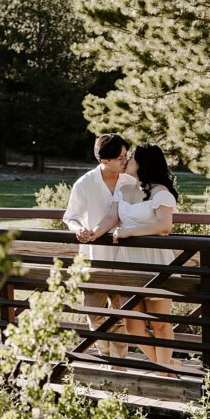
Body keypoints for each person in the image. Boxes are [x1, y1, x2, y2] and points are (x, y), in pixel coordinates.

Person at [62, 133, 135, 362]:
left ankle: (119, 365)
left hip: (126, 259)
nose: (126, 160)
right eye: (121, 157)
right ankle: (106, 353)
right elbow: (70, 217)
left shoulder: (130, 181)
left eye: (126, 156)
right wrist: (79, 230)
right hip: (94, 260)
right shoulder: (84, 184)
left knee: (122, 316)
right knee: (93, 313)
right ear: (105, 161)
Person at [111, 143, 179, 372]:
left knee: (160, 323)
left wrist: (130, 232)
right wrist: (89, 232)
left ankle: (163, 373)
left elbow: (164, 225)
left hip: (155, 262)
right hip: (127, 263)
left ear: (142, 163)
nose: (127, 160)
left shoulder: (161, 193)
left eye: (131, 158)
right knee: (133, 326)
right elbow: (112, 219)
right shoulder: (123, 191)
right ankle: (169, 367)